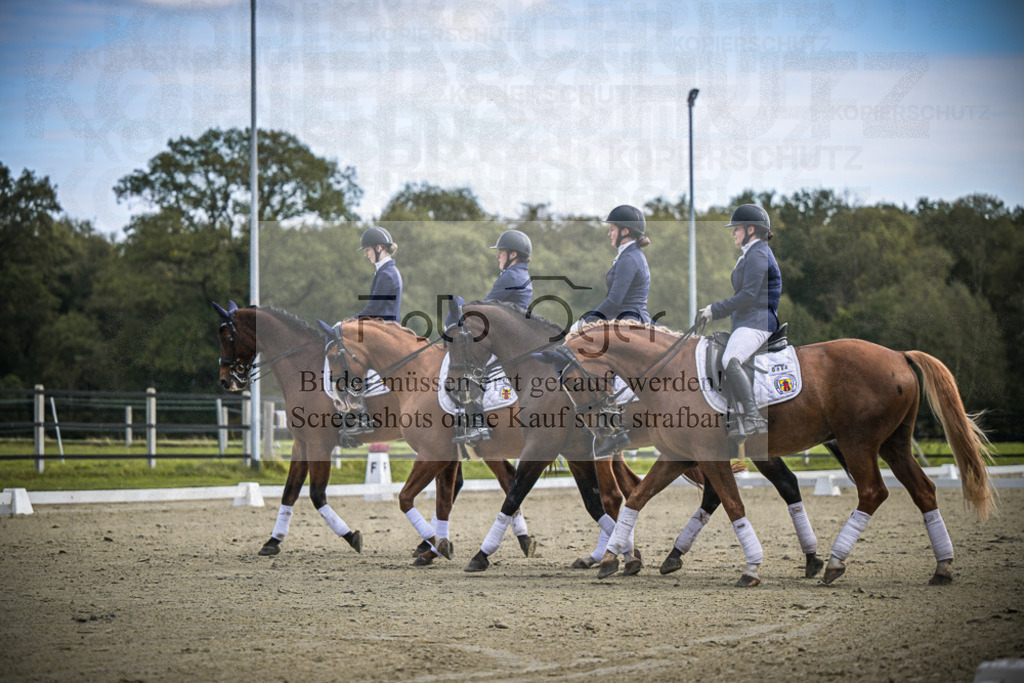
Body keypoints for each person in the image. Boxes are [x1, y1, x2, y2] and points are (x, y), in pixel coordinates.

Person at [697, 204, 781, 442]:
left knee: (730, 360)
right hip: (746, 321)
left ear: (751, 229)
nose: (733, 232)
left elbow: (748, 296)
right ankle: (734, 416)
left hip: (758, 321)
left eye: (737, 228)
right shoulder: (751, 253)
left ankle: (753, 416)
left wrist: (715, 309)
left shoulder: (758, 254)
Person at [453, 229, 534, 444]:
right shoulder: (520, 274)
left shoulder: (511, 276)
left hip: (504, 338)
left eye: (501, 252)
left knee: (471, 367)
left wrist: (461, 309)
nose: (498, 256)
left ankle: (476, 424)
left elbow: (485, 307)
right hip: (514, 336)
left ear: (513, 254)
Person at [580, 204, 651, 325]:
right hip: (628, 318)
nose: (609, 234)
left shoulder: (628, 259)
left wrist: (585, 321)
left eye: (612, 229)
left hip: (628, 320)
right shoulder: (632, 254)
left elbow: (614, 301)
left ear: (625, 231)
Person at [354, 226, 402, 322]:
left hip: (385, 329)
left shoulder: (386, 274)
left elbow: (373, 309)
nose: (366, 254)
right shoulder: (388, 270)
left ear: (378, 248)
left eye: (367, 250)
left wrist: (347, 323)